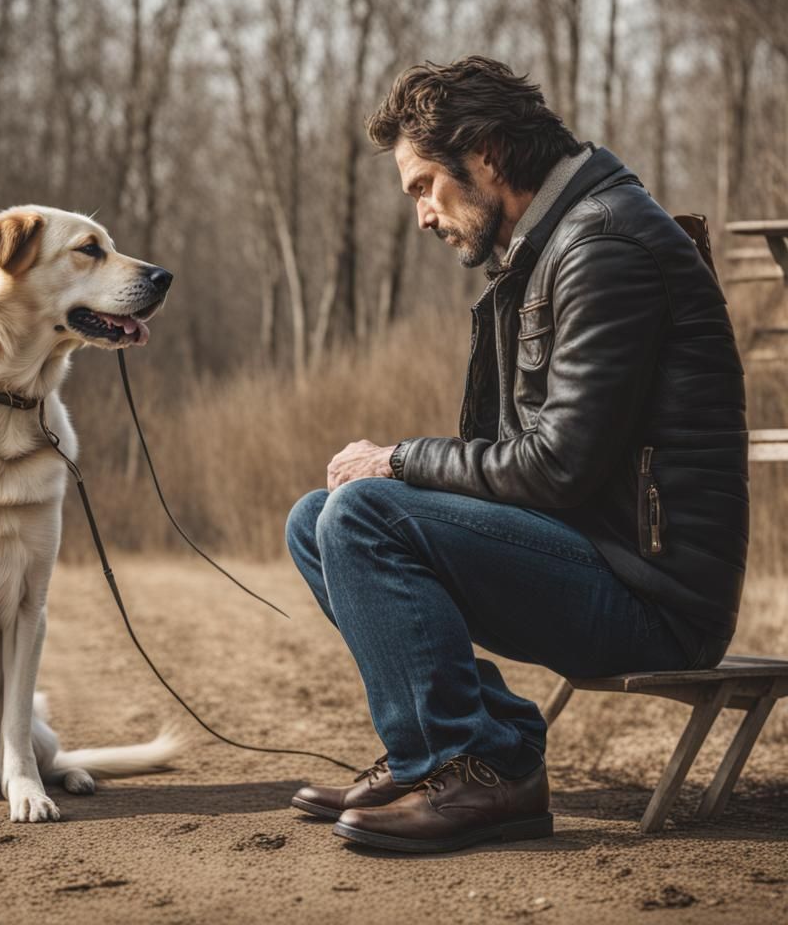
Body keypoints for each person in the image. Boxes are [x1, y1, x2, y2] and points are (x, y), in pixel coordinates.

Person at [285, 56, 748, 854]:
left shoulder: (604, 245)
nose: (422, 216)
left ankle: (476, 768)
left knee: (363, 512)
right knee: (315, 518)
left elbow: (556, 466)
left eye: (425, 186)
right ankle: (466, 750)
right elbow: (526, 458)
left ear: (489, 155)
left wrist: (399, 461)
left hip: (655, 597)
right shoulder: (552, 247)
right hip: (597, 554)